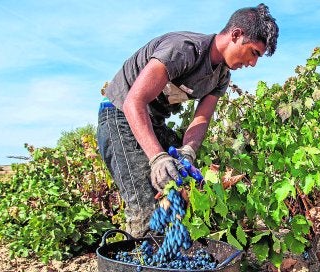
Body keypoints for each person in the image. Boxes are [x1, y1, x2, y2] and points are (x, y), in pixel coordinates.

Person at [97, 3, 279, 237]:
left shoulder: (221, 75)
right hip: (119, 116)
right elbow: (134, 102)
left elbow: (201, 118)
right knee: (145, 210)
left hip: (153, 123)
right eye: (254, 52)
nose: (253, 63)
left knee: (181, 189)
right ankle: (139, 259)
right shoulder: (184, 49)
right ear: (236, 35)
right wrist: (158, 157)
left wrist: (188, 152)